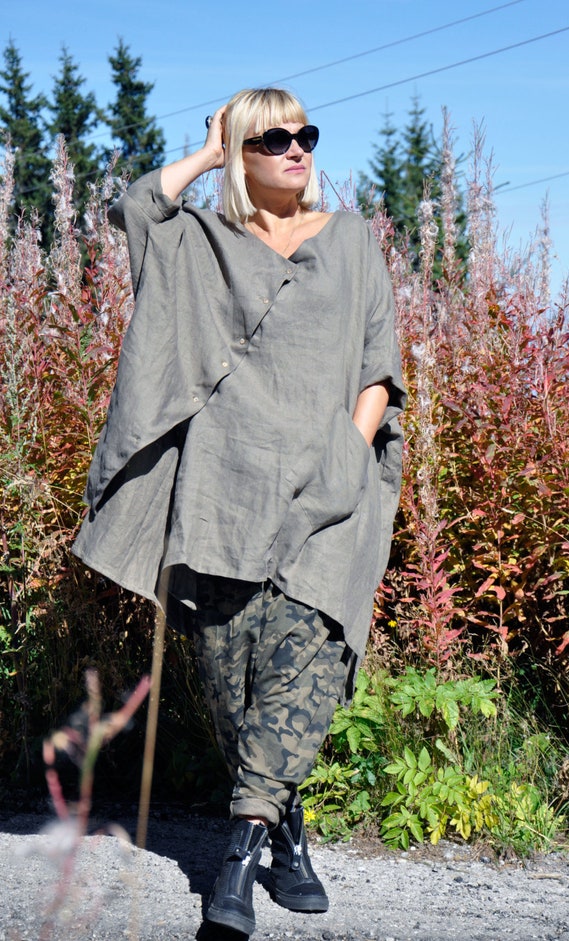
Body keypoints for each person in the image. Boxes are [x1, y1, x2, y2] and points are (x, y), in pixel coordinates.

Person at [73, 87, 406, 936]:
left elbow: (378, 367)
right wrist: (208, 149)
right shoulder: (204, 243)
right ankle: (285, 830)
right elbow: (138, 207)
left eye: (306, 135)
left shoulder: (352, 240)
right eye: (273, 138)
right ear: (240, 154)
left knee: (308, 670)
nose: (297, 149)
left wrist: (349, 457)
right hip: (223, 494)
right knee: (234, 693)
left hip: (329, 495)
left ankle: (236, 860)